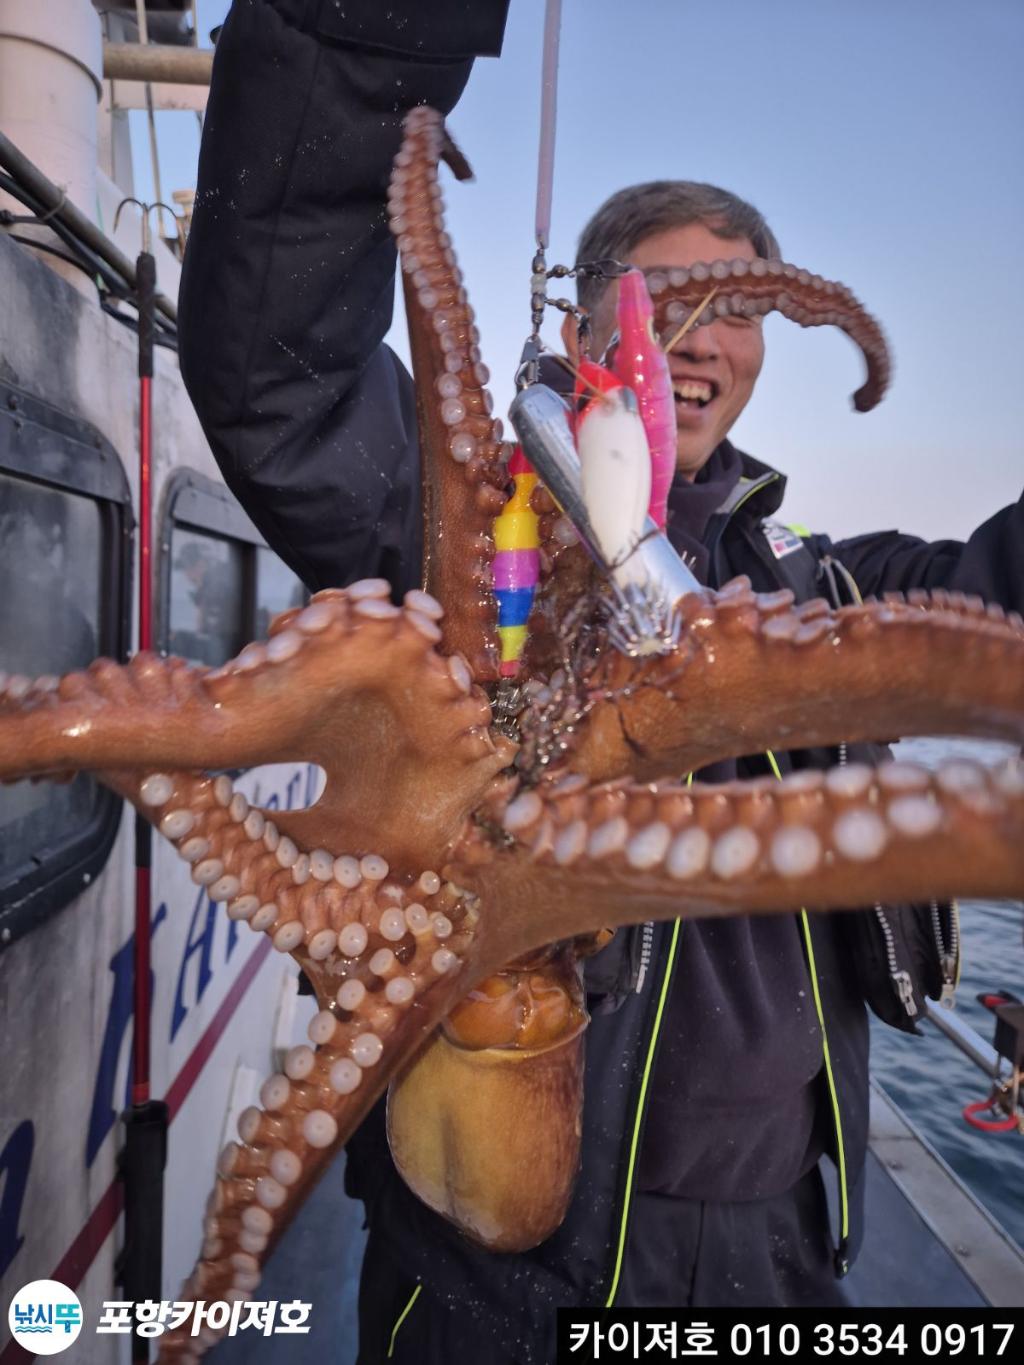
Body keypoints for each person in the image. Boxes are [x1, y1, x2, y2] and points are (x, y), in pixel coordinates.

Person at [178, 4, 1024, 1361]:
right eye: (668, 301)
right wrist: (364, 32)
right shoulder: (476, 525)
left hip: (783, 1248)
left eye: (743, 306)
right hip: (506, 1257)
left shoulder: (825, 586)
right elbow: (282, 376)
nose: (704, 336)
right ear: (587, 323)